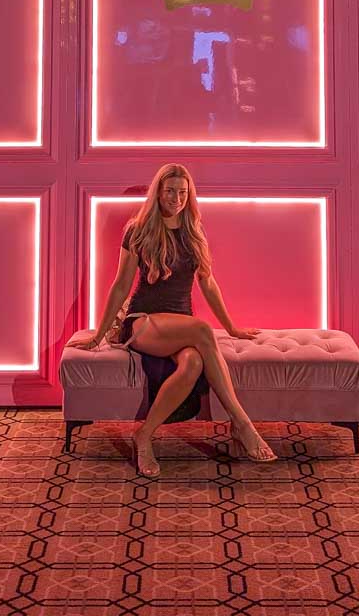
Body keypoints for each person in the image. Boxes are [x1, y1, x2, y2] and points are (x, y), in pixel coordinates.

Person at [71, 163, 277, 477]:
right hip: (143, 321)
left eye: (182, 192)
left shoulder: (194, 230)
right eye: (170, 191)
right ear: (158, 192)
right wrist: (98, 335)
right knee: (202, 329)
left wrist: (232, 328)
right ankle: (242, 423)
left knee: (193, 362)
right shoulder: (138, 229)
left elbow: (208, 283)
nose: (176, 198)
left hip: (180, 325)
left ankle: (144, 435)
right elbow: (121, 285)